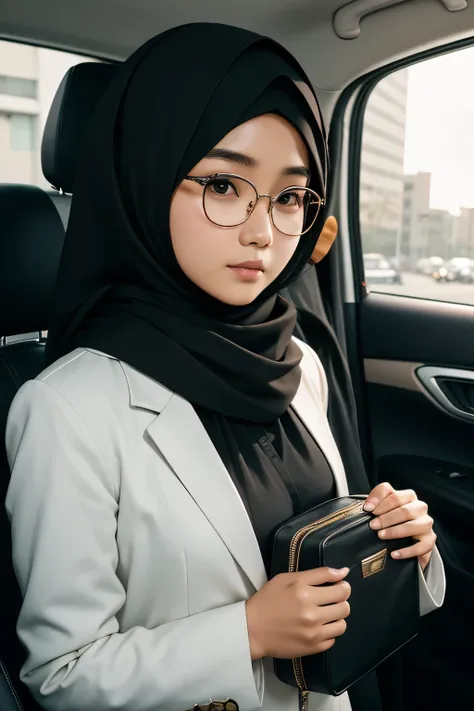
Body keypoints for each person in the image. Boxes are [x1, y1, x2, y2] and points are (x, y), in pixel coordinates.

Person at [5, 23, 445, 711]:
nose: (262, 232)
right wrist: (247, 631)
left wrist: (396, 544)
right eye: (223, 184)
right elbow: (61, 675)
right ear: (146, 179)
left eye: (290, 196)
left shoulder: (296, 359)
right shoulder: (68, 408)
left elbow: (317, 557)